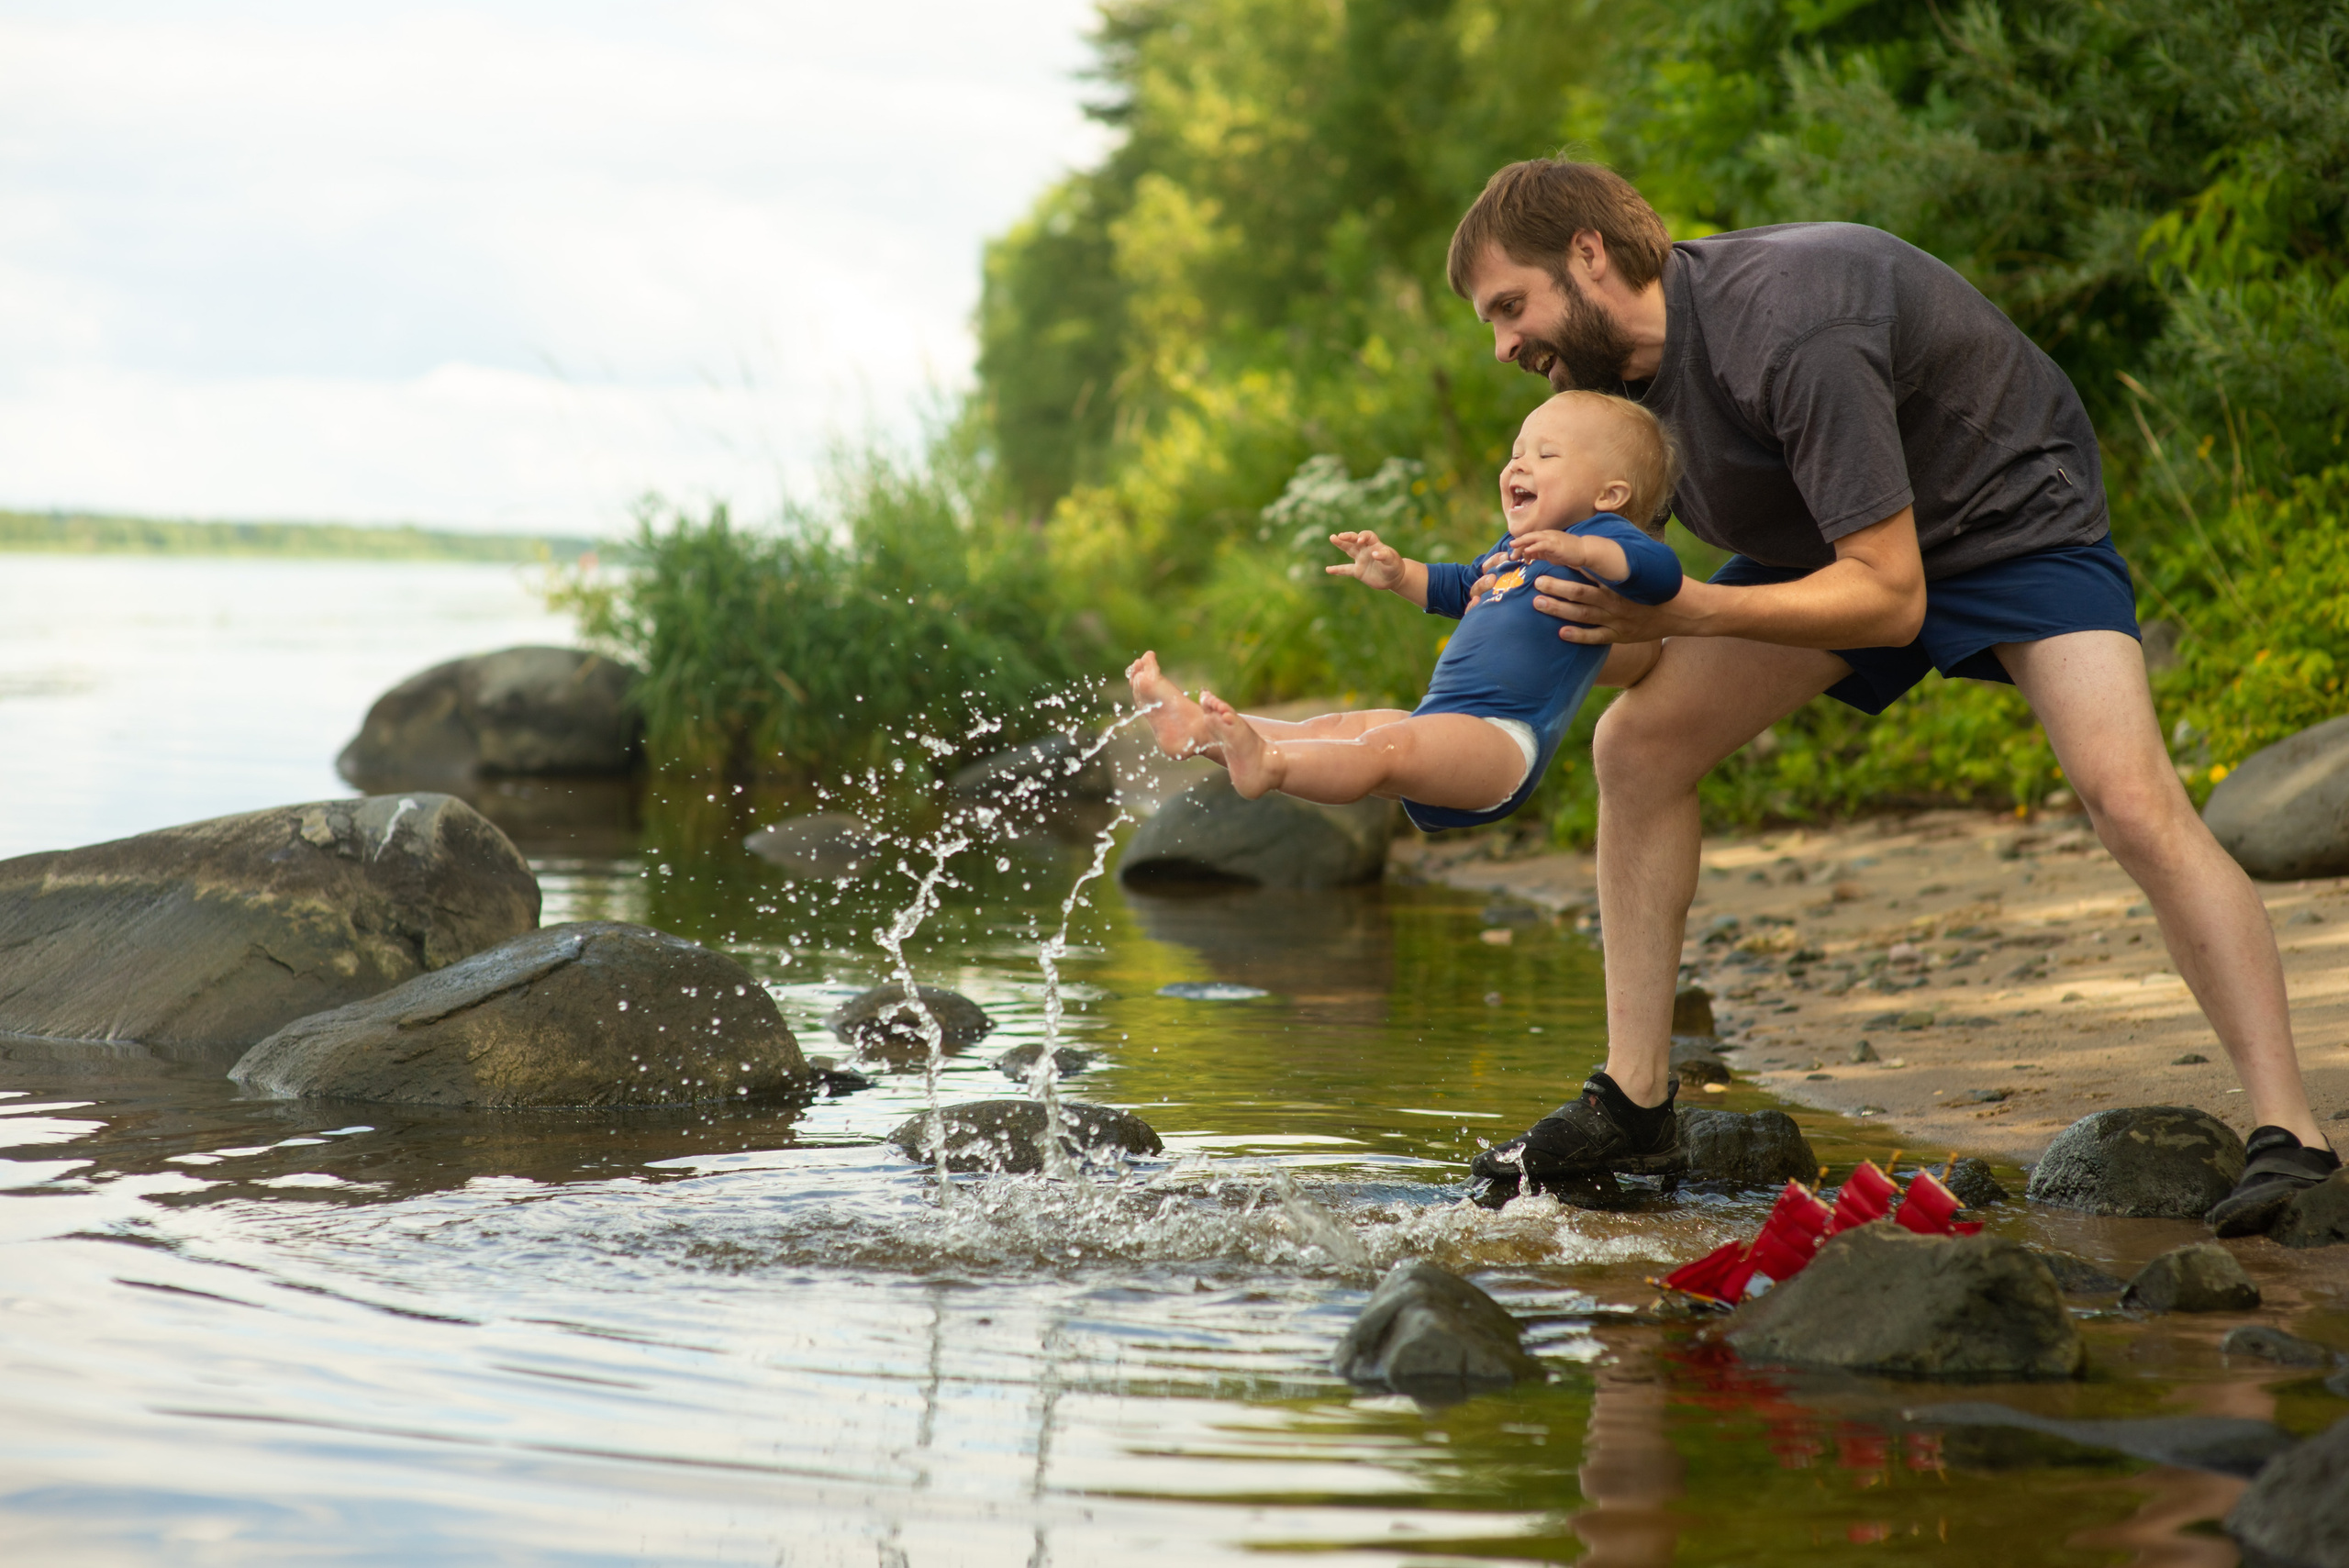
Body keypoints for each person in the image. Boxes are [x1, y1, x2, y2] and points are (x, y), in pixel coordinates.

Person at [1446, 157, 2337, 1233]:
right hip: (1836, 545)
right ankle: (1634, 1100)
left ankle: (2293, 1137)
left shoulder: (1786, 324)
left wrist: (1679, 611)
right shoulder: (1593, 401)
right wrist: (1516, 638)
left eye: (1509, 305)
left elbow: (1887, 600)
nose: (1501, 345)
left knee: (2130, 800)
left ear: (1588, 255)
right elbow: (1639, 642)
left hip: (2008, 517)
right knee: (1639, 745)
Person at [1129, 391, 1681, 851]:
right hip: (1440, 720)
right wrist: (1399, 574)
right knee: (1337, 729)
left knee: (1381, 751)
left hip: (1502, 740)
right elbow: (1458, 587)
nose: (1518, 466)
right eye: (1516, 453)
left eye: (1546, 455)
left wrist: (1584, 554)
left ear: (1609, 495)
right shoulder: (1516, 551)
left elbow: (1662, 575)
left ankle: (1268, 767)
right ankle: (1200, 735)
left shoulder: (1602, 539)